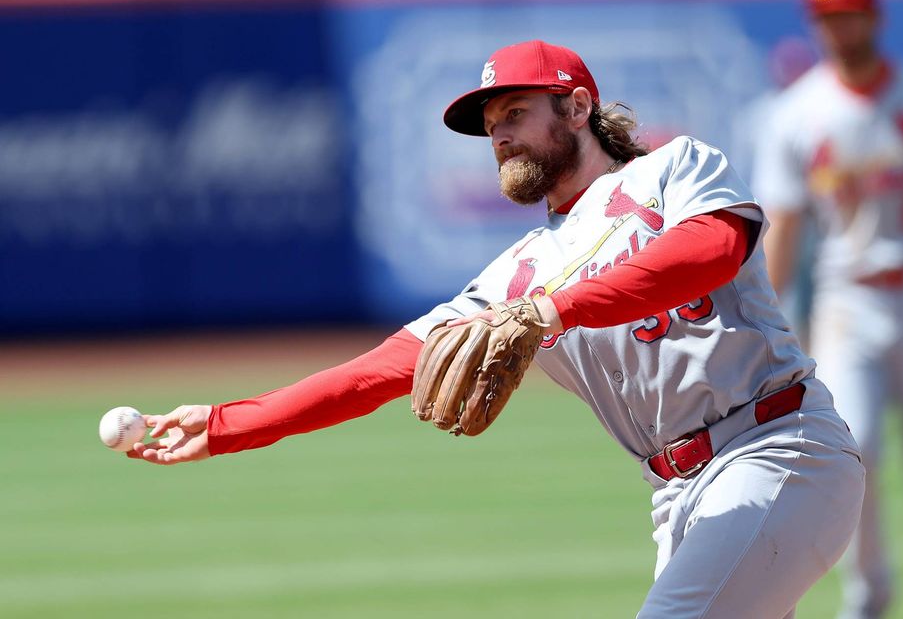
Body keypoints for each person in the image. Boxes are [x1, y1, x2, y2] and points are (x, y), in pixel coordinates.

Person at [129, 39, 864, 618]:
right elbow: (370, 375)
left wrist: (554, 310)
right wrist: (226, 426)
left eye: (514, 113)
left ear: (576, 108)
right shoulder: (514, 276)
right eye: (489, 127)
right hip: (677, 498)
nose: (499, 137)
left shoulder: (673, 170)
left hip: (777, 450)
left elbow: (710, 252)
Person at [753, 0, 903, 619]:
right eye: (825, 18)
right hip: (848, 299)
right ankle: (868, 594)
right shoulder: (798, 114)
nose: (837, 28)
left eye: (847, 13)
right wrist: (767, 328)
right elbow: (785, 229)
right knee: (855, 452)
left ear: (873, 17)